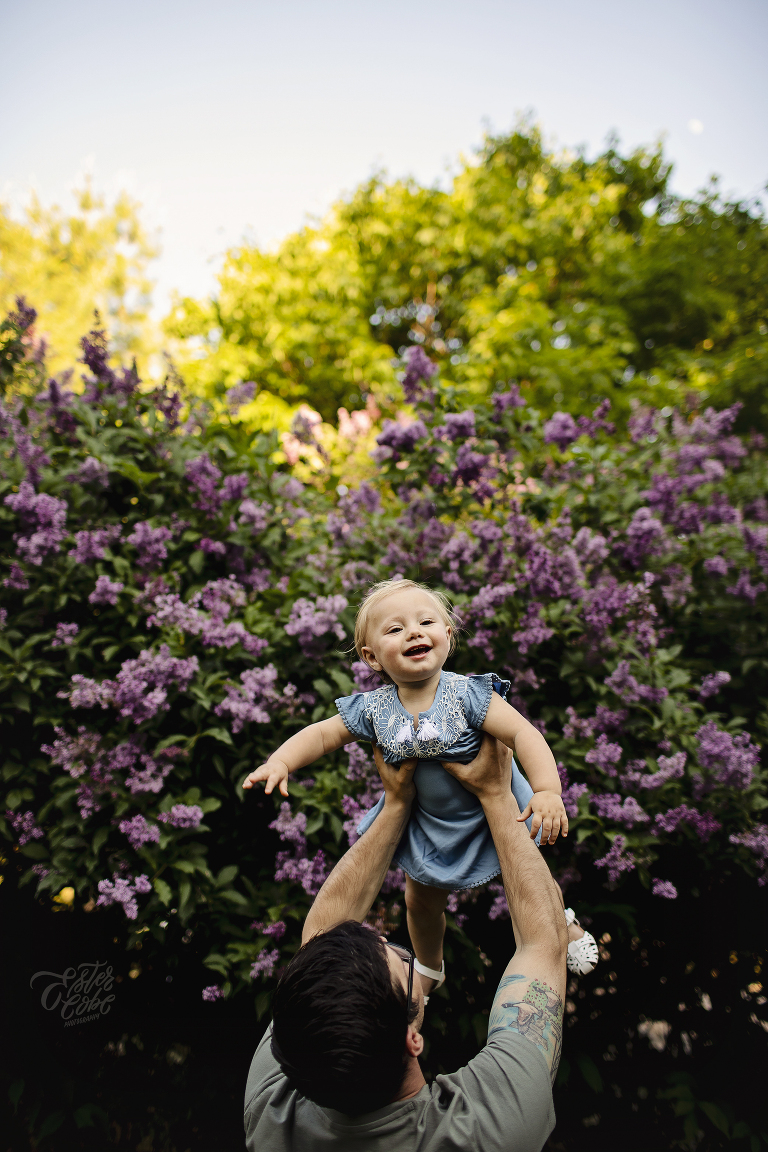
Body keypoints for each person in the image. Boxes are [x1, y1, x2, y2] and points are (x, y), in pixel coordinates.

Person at [244, 578, 598, 981]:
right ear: (372, 656)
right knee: (420, 901)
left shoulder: (470, 695)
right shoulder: (374, 708)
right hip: (429, 825)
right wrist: (281, 762)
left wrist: (547, 790)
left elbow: (523, 734)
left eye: (426, 622)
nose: (413, 631)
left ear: (447, 636)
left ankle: (563, 922)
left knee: (530, 878)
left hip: (490, 818)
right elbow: (324, 734)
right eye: (395, 629)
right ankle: (430, 966)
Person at [244, 735, 568, 1149]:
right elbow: (544, 943)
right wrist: (496, 794)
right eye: (402, 960)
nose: (387, 939)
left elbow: (321, 946)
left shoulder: (274, 1115)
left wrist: (397, 803)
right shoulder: (493, 1127)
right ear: (411, 1039)